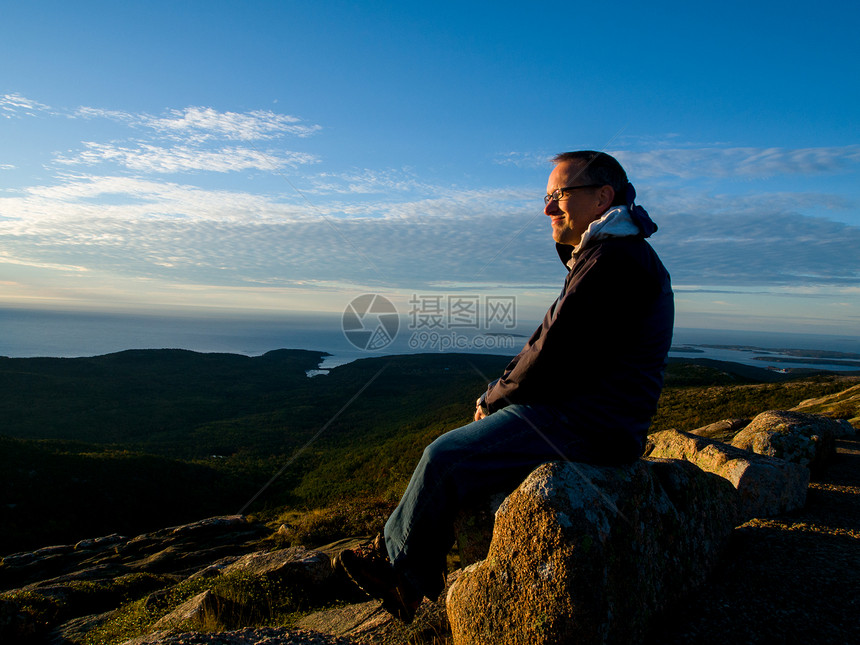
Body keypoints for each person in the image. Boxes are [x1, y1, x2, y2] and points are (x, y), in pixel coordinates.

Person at [336, 150, 674, 622]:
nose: (547, 209)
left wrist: (494, 399)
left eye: (558, 195)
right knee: (455, 457)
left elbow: (555, 349)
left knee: (444, 458)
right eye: (547, 197)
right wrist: (498, 390)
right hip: (592, 413)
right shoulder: (610, 251)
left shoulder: (614, 258)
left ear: (603, 197)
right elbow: (551, 335)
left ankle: (399, 570)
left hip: (592, 422)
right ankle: (402, 563)